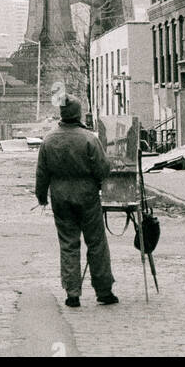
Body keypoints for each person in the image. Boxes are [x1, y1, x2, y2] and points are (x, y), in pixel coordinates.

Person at [35, 96, 118, 308]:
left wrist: (41, 196)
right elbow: (103, 169)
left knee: (68, 244)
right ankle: (104, 291)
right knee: (96, 242)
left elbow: (42, 173)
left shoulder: (49, 140)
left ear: (62, 114)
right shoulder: (88, 139)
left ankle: (72, 293)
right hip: (87, 195)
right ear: (78, 113)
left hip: (60, 197)